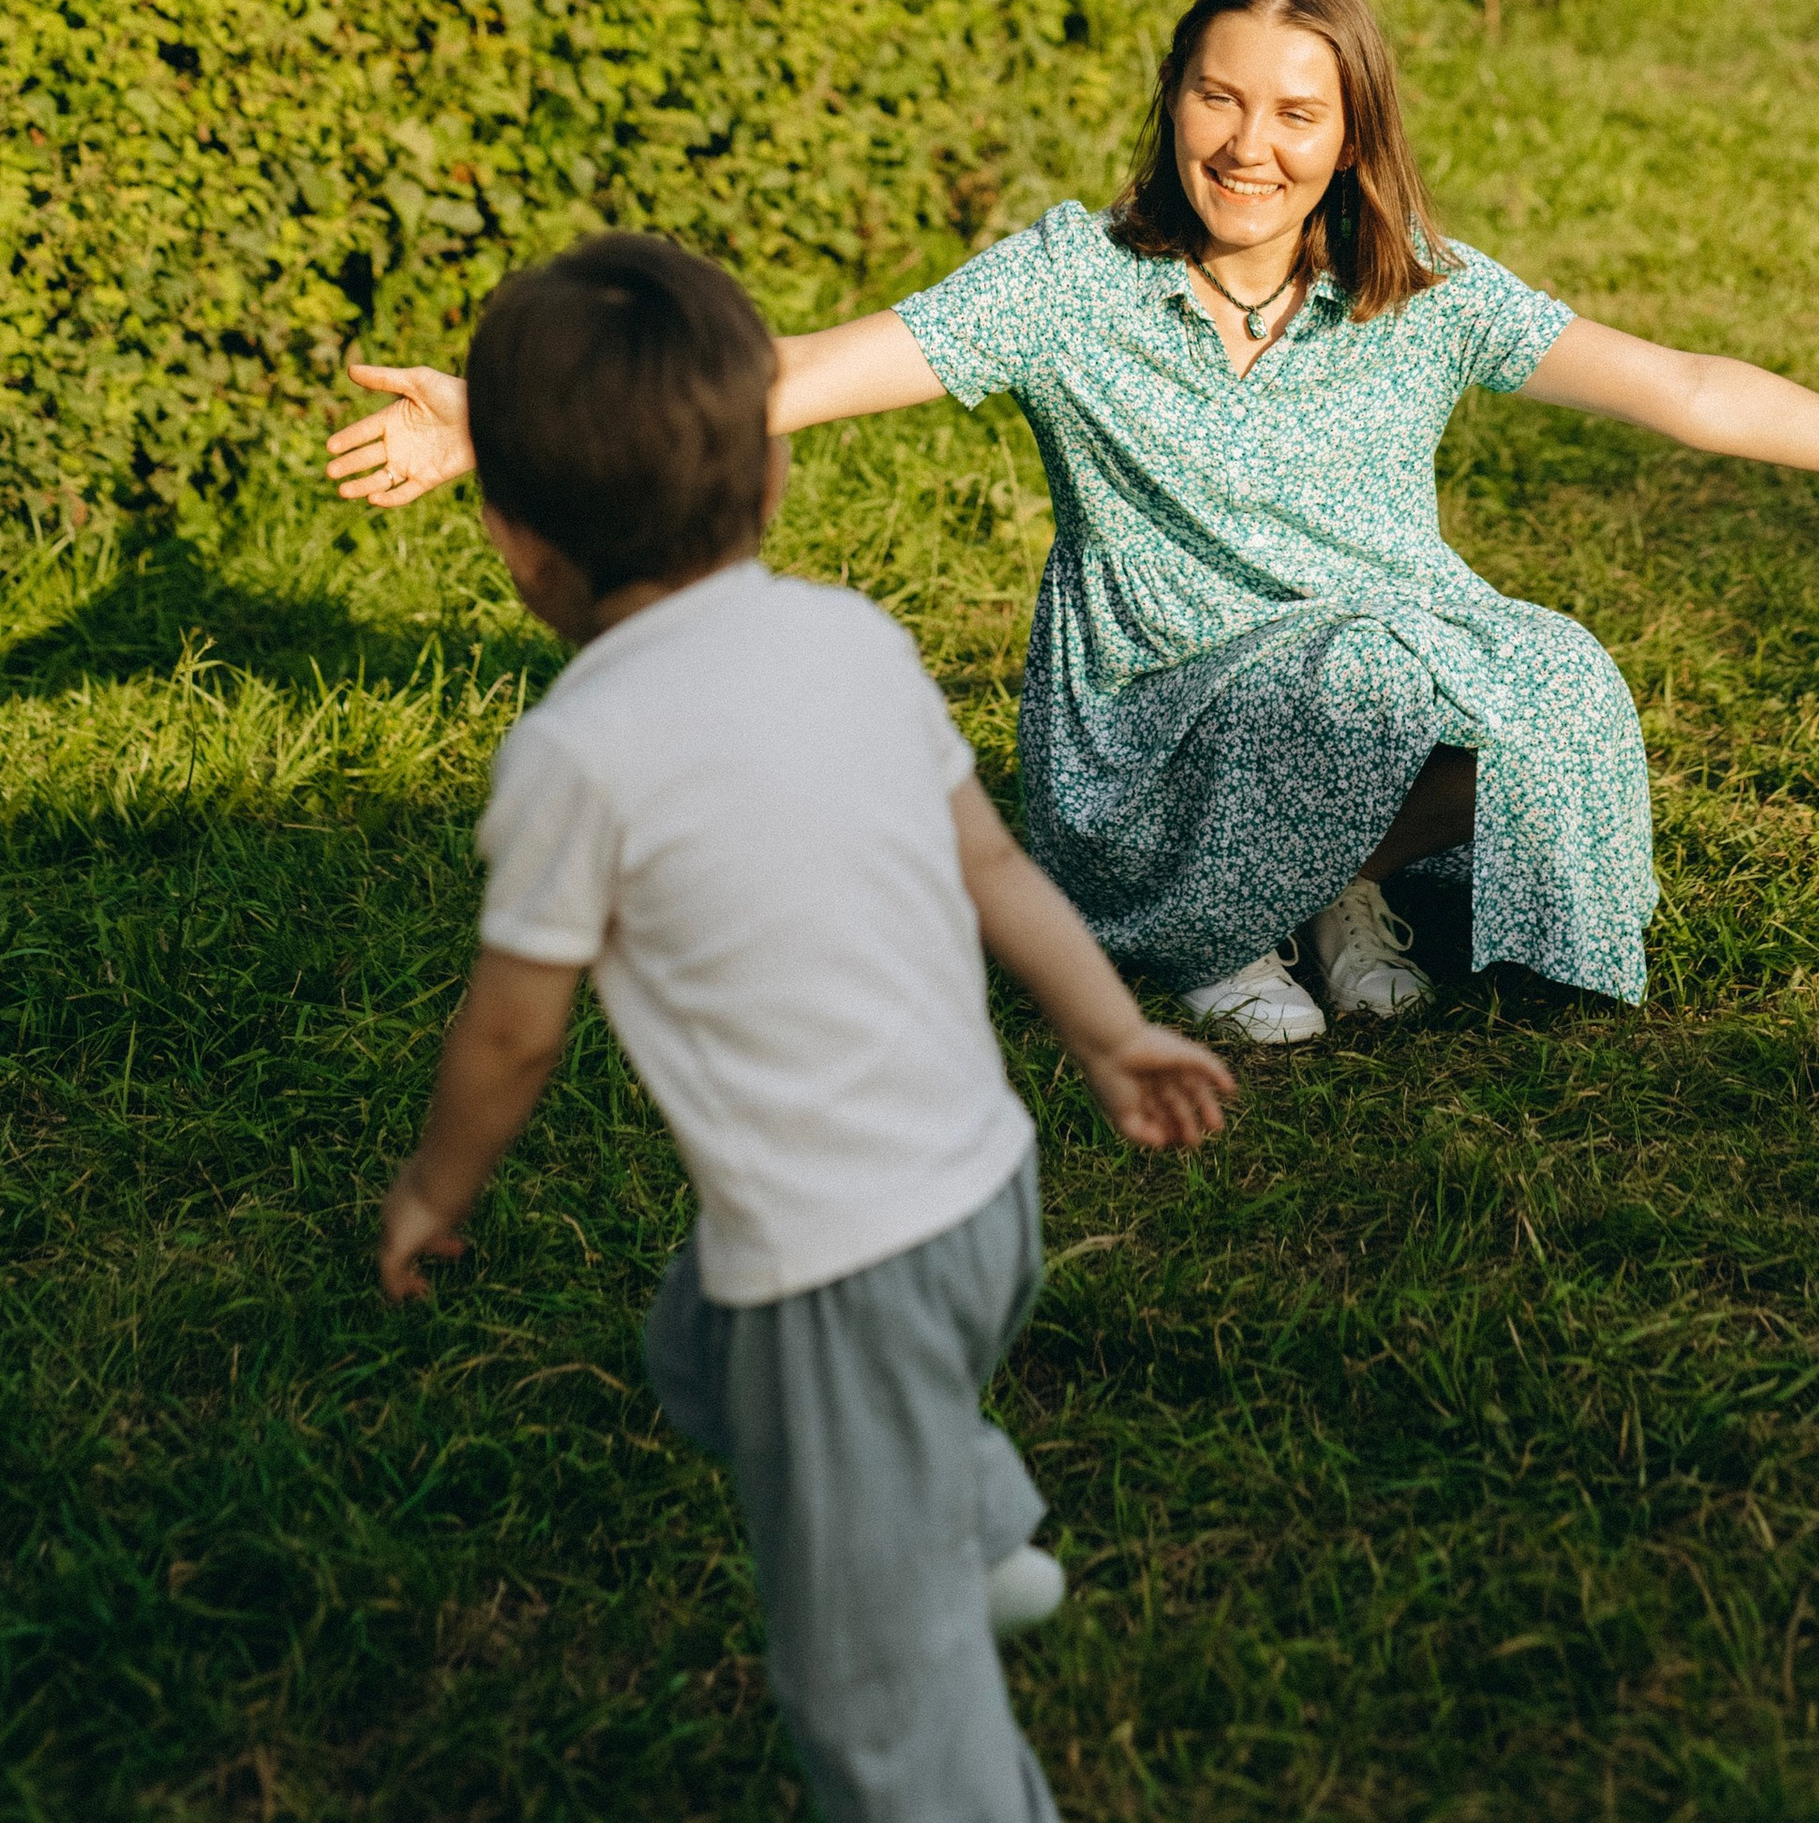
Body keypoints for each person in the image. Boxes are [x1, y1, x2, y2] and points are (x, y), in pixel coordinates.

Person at [331, 0, 1819, 1052]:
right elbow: (789, 375)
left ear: (1350, 135)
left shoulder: (1421, 287)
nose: (1251, 146)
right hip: (1152, 726)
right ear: (1175, 106)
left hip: (1373, 672)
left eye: (1298, 115)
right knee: (1377, 663)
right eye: (1221, 101)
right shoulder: (1068, 284)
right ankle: (1219, 921)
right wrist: (502, 427)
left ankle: (1334, 895)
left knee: (1551, 672)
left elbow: (1683, 393)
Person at [374, 233, 1232, 1823]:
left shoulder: (579, 753)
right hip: (989, 1201)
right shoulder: (855, 639)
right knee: (700, 1344)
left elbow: (511, 1036)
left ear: (510, 540)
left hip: (841, 1274)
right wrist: (1112, 1036)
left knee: (876, 1698)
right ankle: (967, 1523)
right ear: (772, 479)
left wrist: (435, 1192)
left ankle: (943, 1662)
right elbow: (991, 865)